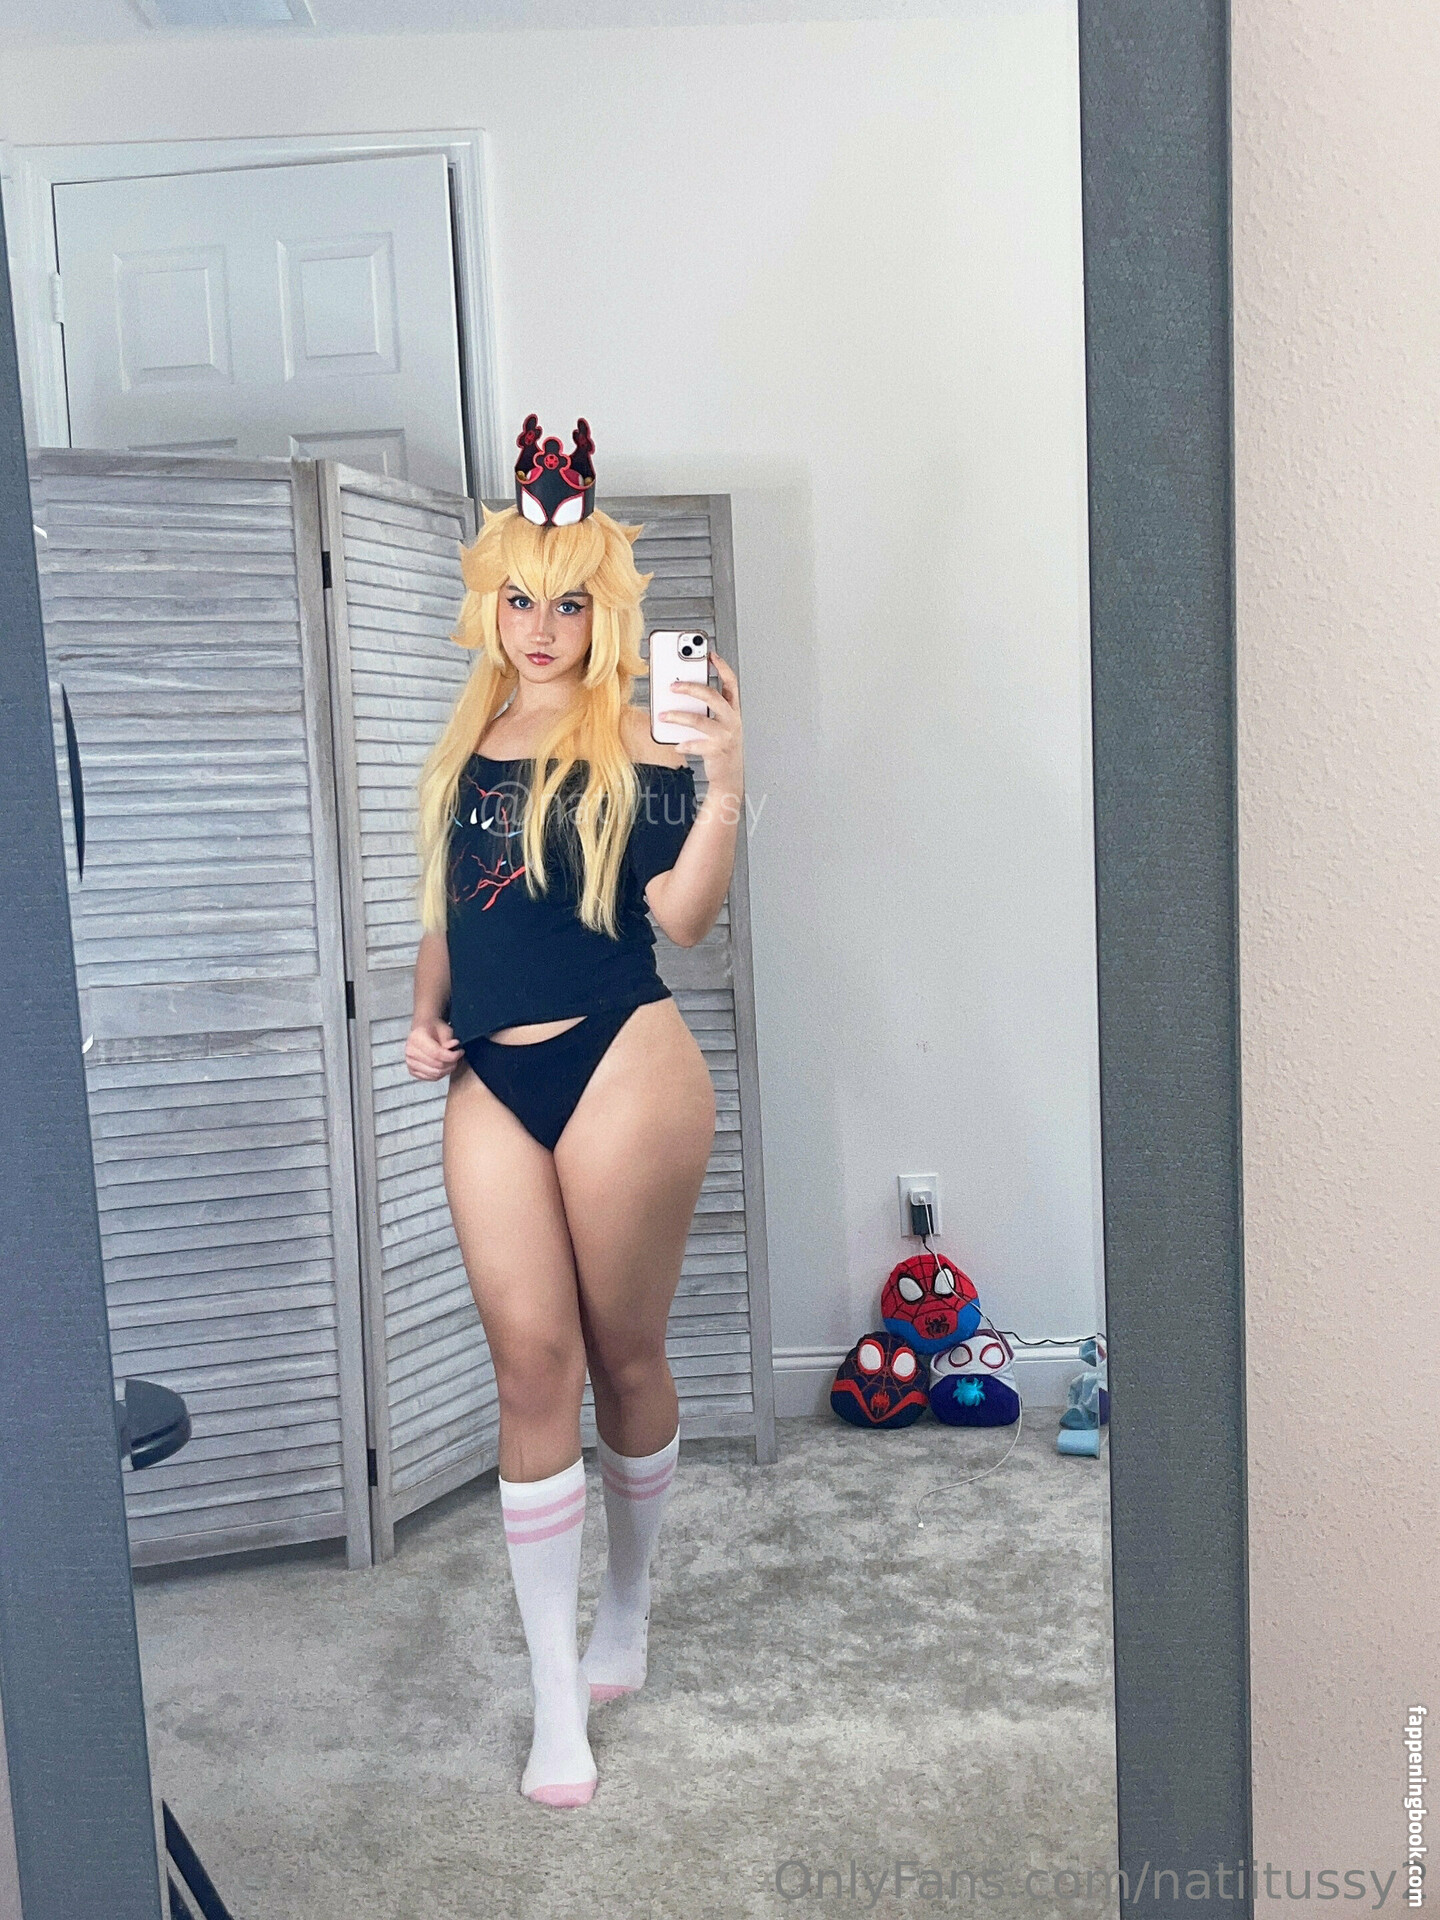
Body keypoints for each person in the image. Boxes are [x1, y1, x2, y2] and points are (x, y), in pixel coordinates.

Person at [404, 416, 743, 1807]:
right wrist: (425, 1013)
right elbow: (447, 912)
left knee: (624, 1355)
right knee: (529, 1368)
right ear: (490, 603)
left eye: (568, 603)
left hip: (622, 1062)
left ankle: (628, 1611)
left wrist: (724, 785)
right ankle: (556, 1689)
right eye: (520, 599)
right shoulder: (469, 732)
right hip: (490, 1078)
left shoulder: (639, 732)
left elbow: (685, 919)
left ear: (606, 611)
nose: (541, 629)